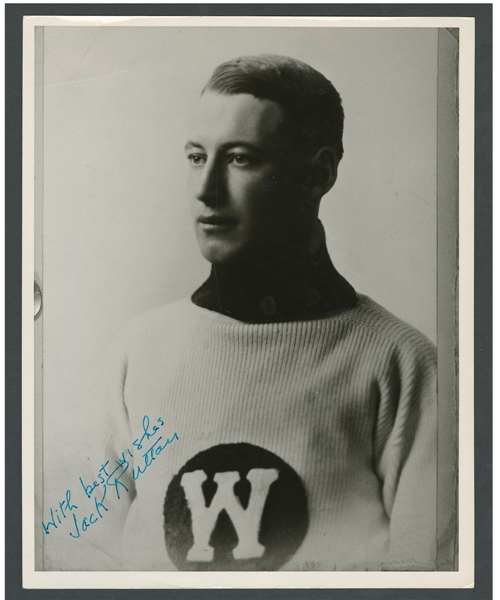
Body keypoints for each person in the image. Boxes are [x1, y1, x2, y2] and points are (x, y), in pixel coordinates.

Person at [76, 54, 444, 572]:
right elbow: (87, 554)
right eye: (197, 157)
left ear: (318, 174)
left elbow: (433, 567)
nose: (206, 191)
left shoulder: (401, 362)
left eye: (240, 158)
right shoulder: (139, 351)